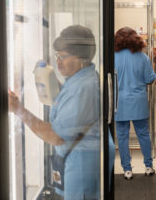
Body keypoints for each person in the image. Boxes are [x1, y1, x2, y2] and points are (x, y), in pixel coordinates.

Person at [8, 25, 115, 200]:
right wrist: (50, 81)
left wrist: (17, 109)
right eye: (57, 55)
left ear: (81, 58)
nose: (58, 61)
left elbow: (54, 136)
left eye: (63, 57)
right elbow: (70, 105)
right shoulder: (82, 77)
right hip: (84, 157)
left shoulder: (83, 89)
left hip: (83, 164)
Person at [114, 27, 156, 179]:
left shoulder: (112, 56)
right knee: (143, 134)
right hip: (138, 101)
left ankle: (127, 169)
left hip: (119, 102)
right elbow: (150, 79)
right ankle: (148, 166)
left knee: (122, 136)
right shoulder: (142, 57)